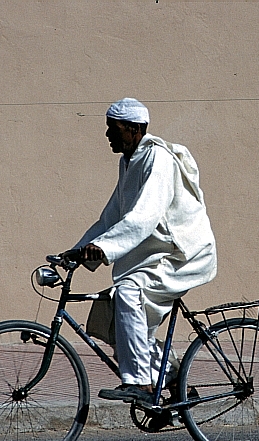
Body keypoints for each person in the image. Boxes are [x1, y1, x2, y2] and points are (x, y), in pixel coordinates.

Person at [72, 97, 217, 405]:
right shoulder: (129, 162)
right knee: (118, 319)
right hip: (157, 256)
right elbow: (112, 217)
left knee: (128, 293)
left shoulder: (157, 160)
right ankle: (175, 377)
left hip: (181, 255)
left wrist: (104, 248)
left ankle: (140, 383)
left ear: (134, 129)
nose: (108, 135)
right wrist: (77, 251)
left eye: (114, 129)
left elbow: (144, 216)